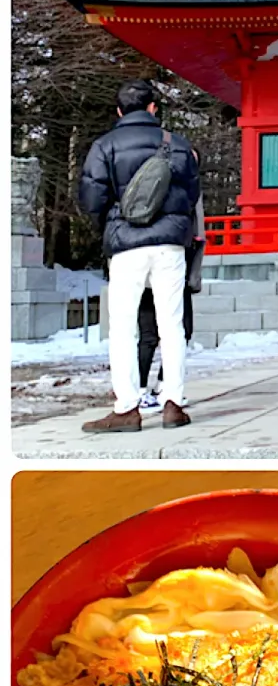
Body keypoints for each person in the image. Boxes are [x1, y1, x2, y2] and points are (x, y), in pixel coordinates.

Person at [78, 78, 198, 432]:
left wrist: (113, 223)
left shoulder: (104, 146)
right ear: (152, 109)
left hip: (126, 243)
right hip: (169, 245)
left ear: (118, 111)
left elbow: (91, 200)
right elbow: (191, 195)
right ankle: (173, 403)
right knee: (171, 324)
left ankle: (127, 407)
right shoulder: (176, 145)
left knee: (124, 327)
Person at [138, 149, 206, 410]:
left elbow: (198, 235)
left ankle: (165, 384)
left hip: (178, 268)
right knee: (150, 334)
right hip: (158, 266)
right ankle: (142, 388)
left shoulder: (190, 188)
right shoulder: (172, 189)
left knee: (181, 329)